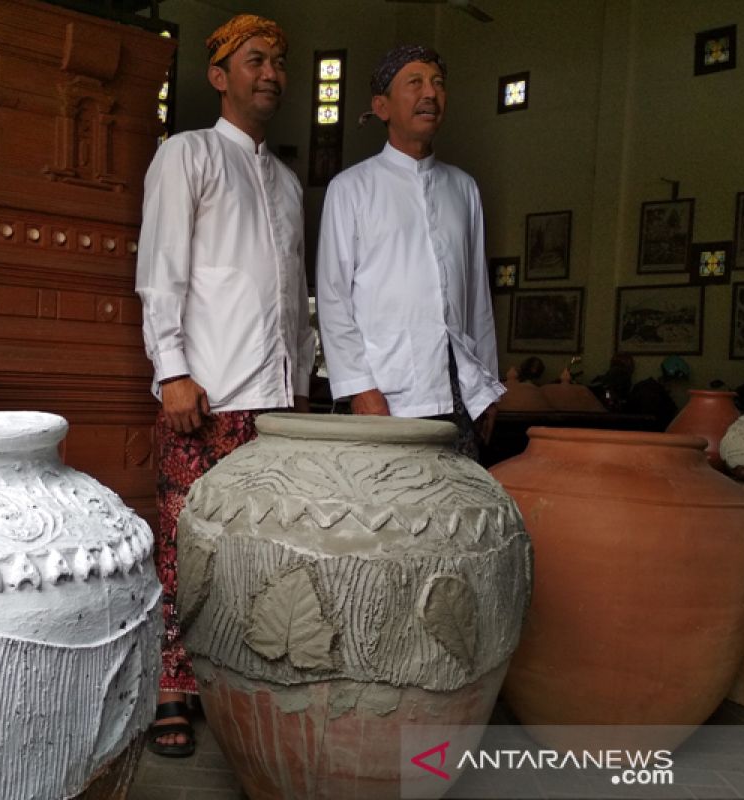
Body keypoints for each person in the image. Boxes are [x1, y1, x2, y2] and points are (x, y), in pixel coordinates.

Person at [134, 13, 314, 758]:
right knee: (182, 545)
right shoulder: (188, 154)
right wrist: (172, 370)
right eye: (254, 60)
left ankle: (236, 683)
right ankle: (171, 688)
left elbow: (293, 296)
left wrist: (300, 387)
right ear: (219, 76)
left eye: (277, 61)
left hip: (275, 407)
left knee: (256, 554)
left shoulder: (288, 180)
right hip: (204, 398)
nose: (270, 73)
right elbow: (162, 269)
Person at [316, 44, 502, 458]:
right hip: (385, 398)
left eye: (438, 83)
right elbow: (332, 298)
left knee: (459, 514)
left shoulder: (463, 189)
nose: (430, 93)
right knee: (388, 517)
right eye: (414, 83)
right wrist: (359, 388)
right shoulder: (351, 189)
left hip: (460, 394)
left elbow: (478, 302)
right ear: (381, 106)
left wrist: (487, 384)